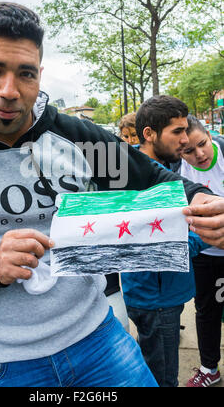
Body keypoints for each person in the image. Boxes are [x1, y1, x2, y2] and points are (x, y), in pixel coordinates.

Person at [0, 3, 224, 388]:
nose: (9, 91)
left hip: (99, 340)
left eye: (26, 74)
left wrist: (199, 198)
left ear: (39, 76)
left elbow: (152, 179)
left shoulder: (77, 137)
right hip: (8, 365)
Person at [120, 96, 210, 387]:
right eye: (177, 132)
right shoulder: (131, 177)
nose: (185, 140)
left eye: (186, 130)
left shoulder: (168, 165)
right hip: (156, 298)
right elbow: (154, 243)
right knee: (163, 378)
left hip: (163, 293)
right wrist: (205, 233)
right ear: (149, 134)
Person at [178, 115, 224, 387]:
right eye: (188, 151)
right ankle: (209, 369)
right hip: (205, 255)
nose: (199, 154)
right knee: (207, 311)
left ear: (209, 135)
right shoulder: (176, 169)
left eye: (202, 144)